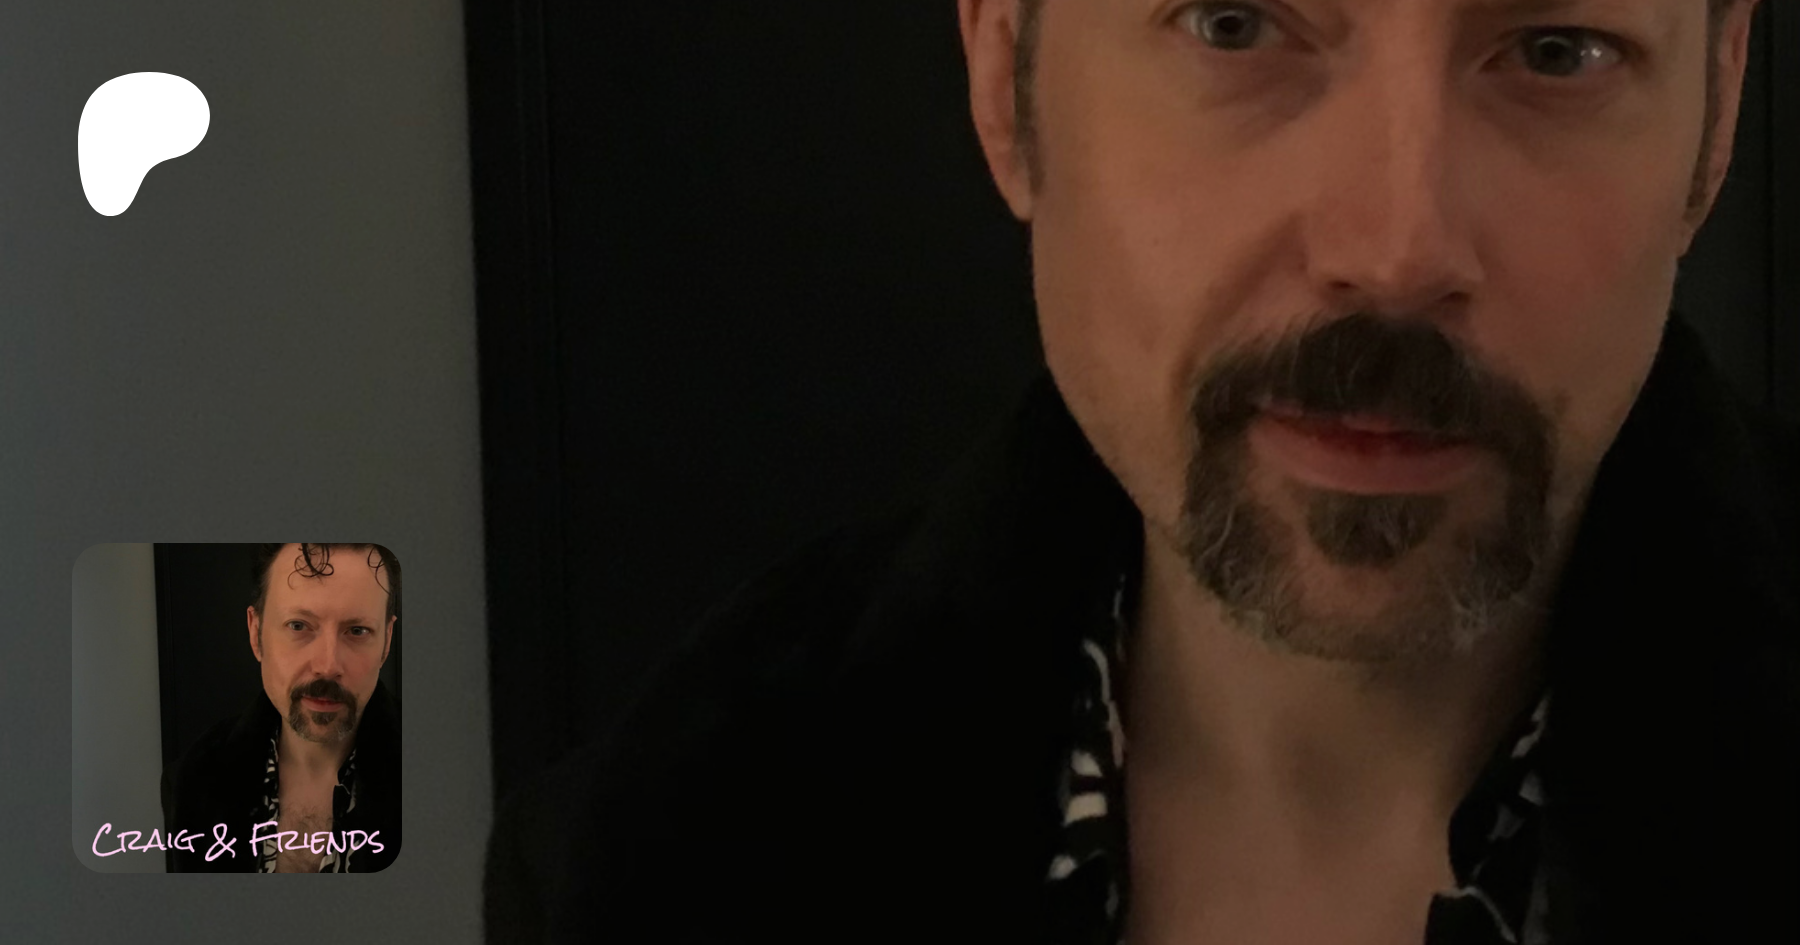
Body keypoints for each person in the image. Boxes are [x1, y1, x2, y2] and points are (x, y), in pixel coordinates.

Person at [483, 0, 1796, 941]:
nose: (1397, 249)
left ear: (1718, 112)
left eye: (1558, 52)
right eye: (1234, 25)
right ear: (1004, 80)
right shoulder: (646, 861)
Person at [162, 543, 402, 872]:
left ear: (386, 641)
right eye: (299, 626)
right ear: (256, 633)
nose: (327, 666)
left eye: (357, 631)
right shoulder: (191, 782)